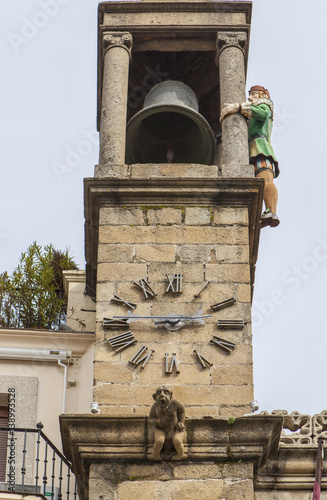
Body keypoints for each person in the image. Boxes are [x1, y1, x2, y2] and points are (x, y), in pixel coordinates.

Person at [220, 85, 279, 228]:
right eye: (250, 94)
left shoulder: (265, 104)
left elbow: (263, 114)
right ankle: (262, 211)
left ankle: (271, 211)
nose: (250, 97)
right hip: (251, 149)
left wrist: (239, 107)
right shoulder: (252, 116)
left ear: (262, 95)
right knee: (257, 183)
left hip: (260, 147)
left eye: (254, 94)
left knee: (265, 180)